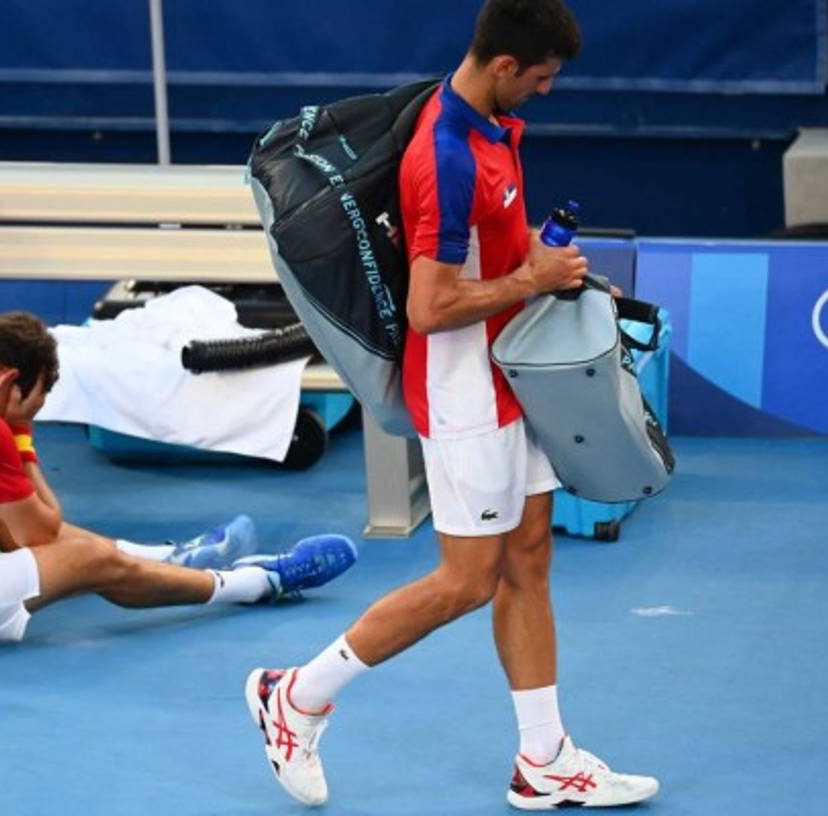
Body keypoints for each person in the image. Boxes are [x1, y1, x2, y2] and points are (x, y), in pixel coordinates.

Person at [243, 1, 659, 809]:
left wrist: (544, 267)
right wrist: (529, 282)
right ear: (505, 67)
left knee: (530, 554)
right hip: (465, 388)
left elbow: (494, 252)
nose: (545, 92)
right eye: (540, 78)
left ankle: (544, 760)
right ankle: (296, 696)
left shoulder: (498, 126)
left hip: (513, 370)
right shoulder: (446, 155)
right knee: (467, 581)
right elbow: (430, 306)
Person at [0, 311, 357, 658]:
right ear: (9, 382)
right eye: (31, 405)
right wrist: (19, 439)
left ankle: (169, 556)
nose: (28, 416)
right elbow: (44, 530)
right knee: (89, 561)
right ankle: (259, 582)